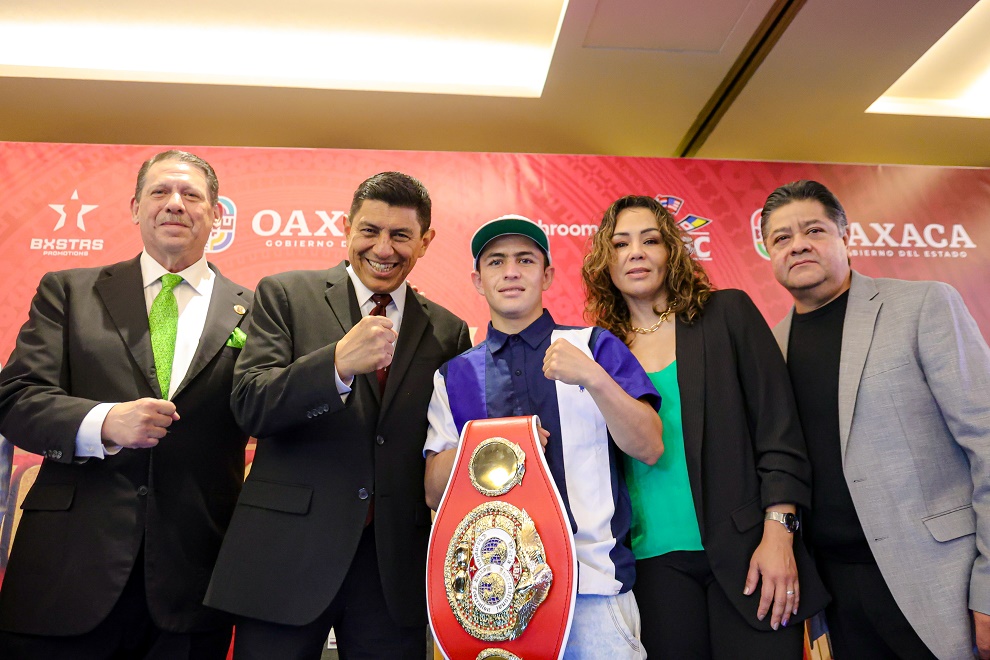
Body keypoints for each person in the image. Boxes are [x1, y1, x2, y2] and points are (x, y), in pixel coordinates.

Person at [205, 171, 471, 659]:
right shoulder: (285, 294)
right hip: (286, 557)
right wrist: (335, 366)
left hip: (393, 570)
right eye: (369, 231)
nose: (383, 248)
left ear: (425, 241)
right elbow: (250, 405)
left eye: (401, 235)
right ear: (346, 228)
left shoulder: (448, 331)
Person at [0, 150, 252, 659]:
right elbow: (15, 398)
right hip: (68, 573)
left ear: (216, 214)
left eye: (191, 195)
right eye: (160, 192)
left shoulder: (259, 309)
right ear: (136, 208)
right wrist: (104, 422)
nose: (175, 204)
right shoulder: (69, 292)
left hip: (193, 581)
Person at [581, 195, 828, 659]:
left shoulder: (726, 314)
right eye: (620, 244)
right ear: (604, 262)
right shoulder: (599, 351)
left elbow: (779, 431)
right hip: (652, 568)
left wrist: (780, 534)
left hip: (751, 556)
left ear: (672, 251)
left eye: (650, 240)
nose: (636, 253)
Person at [762, 179, 990, 660]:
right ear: (768, 252)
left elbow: (986, 441)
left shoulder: (922, 305)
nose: (798, 244)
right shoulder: (770, 349)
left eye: (813, 230)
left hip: (941, 580)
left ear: (845, 237)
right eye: (781, 237)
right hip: (837, 593)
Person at [424, 214, 663, 659]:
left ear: (547, 275)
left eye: (525, 260)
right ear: (478, 281)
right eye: (496, 262)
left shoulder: (594, 346)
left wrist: (594, 377)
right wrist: (493, 444)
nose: (511, 272)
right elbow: (434, 491)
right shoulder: (453, 376)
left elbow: (649, 446)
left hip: (594, 591)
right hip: (493, 602)